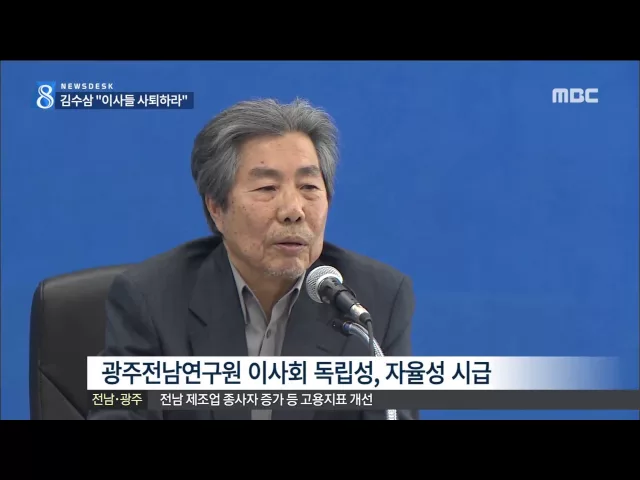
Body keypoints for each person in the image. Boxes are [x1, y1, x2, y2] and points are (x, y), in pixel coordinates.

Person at [88, 98, 416, 420]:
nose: (294, 210)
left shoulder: (375, 302)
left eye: (309, 187)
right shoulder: (150, 299)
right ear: (217, 208)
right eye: (267, 188)